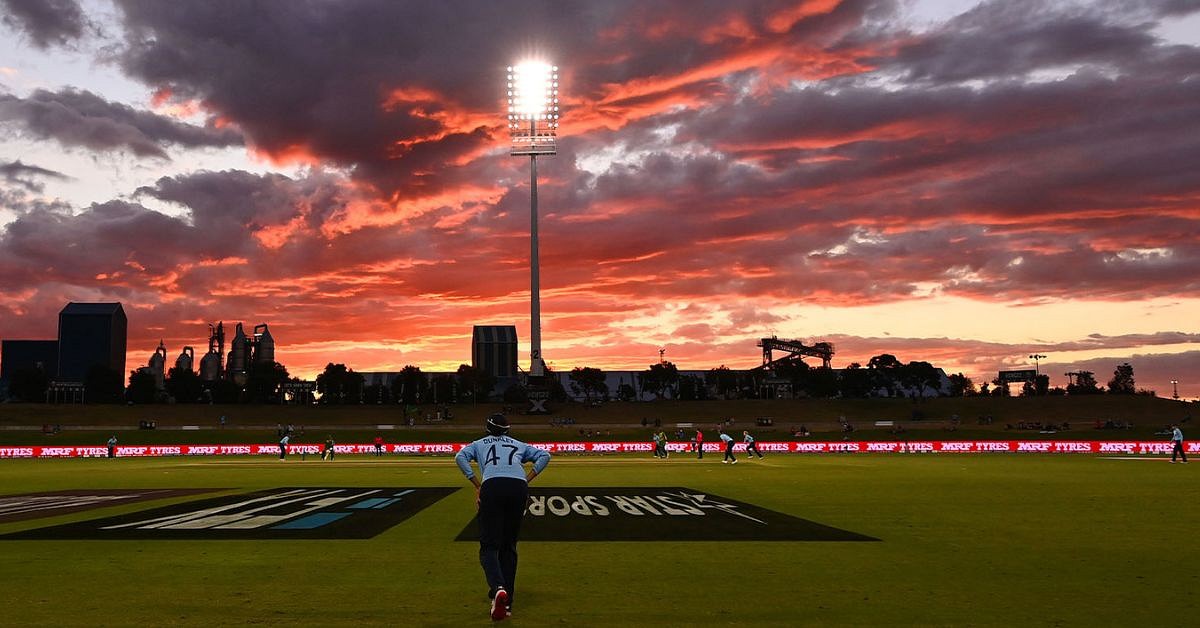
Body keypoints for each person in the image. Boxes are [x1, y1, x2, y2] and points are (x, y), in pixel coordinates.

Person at [455, 414, 551, 621]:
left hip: (492, 485)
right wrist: (526, 479)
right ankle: (507, 603)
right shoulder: (518, 443)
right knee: (509, 546)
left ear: (487, 428)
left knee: (489, 546)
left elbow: (459, 457)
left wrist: (477, 484)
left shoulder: (479, 443)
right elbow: (545, 456)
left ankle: (498, 587)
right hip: (518, 487)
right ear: (507, 429)